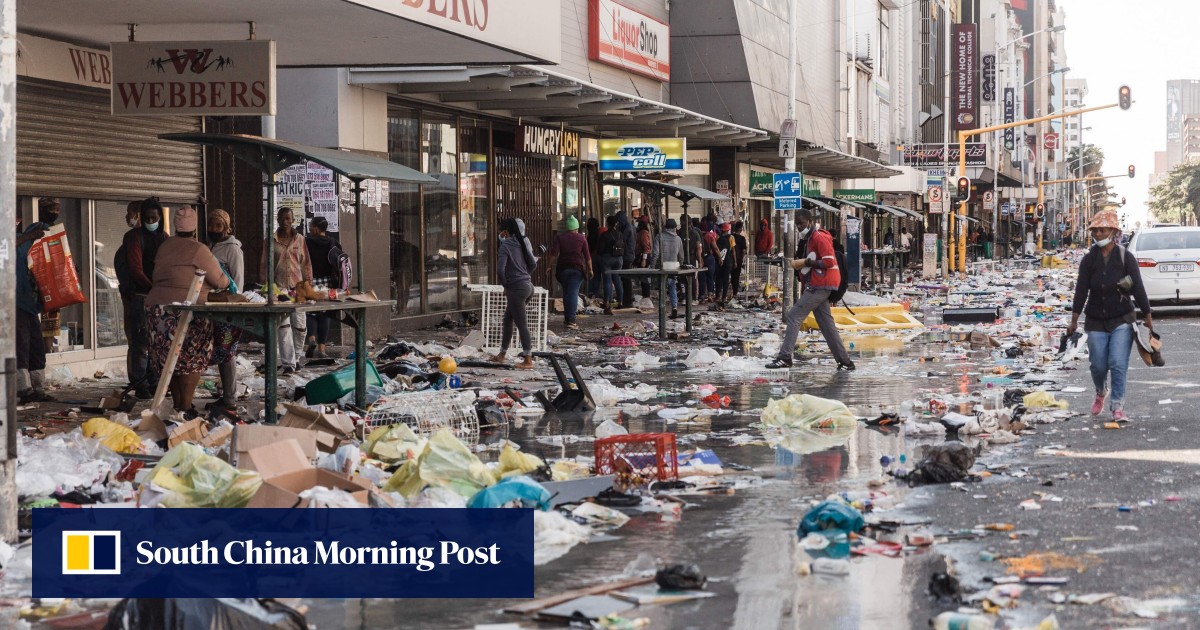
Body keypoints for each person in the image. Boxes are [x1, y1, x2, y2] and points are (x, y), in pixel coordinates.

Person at [1066, 209, 1152, 422]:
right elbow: (1081, 290)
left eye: (1102, 230)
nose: (1098, 235)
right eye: (1095, 231)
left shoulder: (1125, 257)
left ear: (1113, 232)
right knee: (1098, 365)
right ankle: (1100, 391)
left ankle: (1117, 407)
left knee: (1117, 363)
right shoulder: (1089, 260)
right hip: (1095, 320)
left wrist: (1148, 315)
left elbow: (1138, 288)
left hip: (1122, 318)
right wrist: (1074, 319)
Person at [146, 205, 230, 416]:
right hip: (187, 311)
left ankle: (178, 405)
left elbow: (156, 276)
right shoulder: (199, 249)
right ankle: (186, 405)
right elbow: (220, 280)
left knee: (169, 359)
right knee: (192, 357)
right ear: (195, 228)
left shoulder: (164, 247)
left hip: (157, 311)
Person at [768, 207, 855, 370]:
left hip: (821, 284)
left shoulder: (818, 237)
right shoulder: (809, 239)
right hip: (820, 284)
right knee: (826, 325)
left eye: (801, 224)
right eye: (797, 225)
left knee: (794, 315)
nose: (799, 227)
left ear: (810, 222)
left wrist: (809, 263)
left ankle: (785, 357)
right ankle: (845, 362)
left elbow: (829, 261)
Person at [118, 199, 168, 398]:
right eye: (147, 218)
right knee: (140, 341)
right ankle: (140, 383)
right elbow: (136, 269)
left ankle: (153, 381)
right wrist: (153, 286)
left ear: (160, 218)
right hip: (140, 295)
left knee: (155, 342)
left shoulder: (163, 237)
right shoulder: (134, 237)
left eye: (154, 218)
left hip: (157, 295)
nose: (150, 221)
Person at [15, 198, 61, 404]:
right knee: (22, 345)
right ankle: (23, 389)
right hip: (17, 300)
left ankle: (38, 387)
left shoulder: (40, 239)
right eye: (52, 209)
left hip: (31, 302)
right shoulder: (21, 239)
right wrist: (29, 236)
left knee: (36, 345)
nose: (55, 212)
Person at [260, 207, 312, 374]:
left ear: (293, 220)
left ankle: (296, 358)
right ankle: (288, 364)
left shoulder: (300, 240)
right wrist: (266, 288)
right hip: (279, 288)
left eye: (288, 218)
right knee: (283, 326)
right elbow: (264, 265)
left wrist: (308, 285)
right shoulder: (270, 241)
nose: (285, 222)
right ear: (277, 220)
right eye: (282, 219)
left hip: (298, 288)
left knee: (300, 326)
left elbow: (306, 264)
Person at [206, 209, 244, 418]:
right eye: (211, 225)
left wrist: (231, 302)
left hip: (227, 308)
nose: (213, 229)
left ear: (227, 227)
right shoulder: (210, 246)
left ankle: (230, 398)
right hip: (213, 306)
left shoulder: (233, 250)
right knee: (220, 352)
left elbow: (237, 281)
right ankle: (225, 394)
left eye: (218, 226)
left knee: (228, 351)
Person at [492, 218, 537, 369]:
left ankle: (528, 360)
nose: (499, 233)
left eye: (500, 230)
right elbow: (533, 263)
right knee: (508, 320)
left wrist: (506, 285)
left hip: (516, 289)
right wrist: (525, 276)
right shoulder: (523, 242)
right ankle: (502, 355)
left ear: (506, 232)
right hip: (528, 286)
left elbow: (500, 270)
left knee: (521, 324)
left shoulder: (506, 245)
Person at [548, 215, 592, 329]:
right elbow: (587, 257)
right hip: (577, 270)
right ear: (577, 227)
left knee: (567, 293)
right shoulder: (582, 238)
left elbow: (554, 253)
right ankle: (571, 320)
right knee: (572, 293)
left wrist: (548, 266)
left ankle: (567, 319)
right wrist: (591, 269)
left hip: (563, 270)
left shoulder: (560, 238)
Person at [304, 216, 339, 358]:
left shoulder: (306, 242)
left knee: (310, 313)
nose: (310, 228)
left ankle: (311, 339)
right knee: (325, 315)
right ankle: (322, 349)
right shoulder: (333, 243)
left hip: (311, 282)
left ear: (317, 228)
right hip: (328, 283)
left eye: (311, 226)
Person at [652, 218, 685, 319]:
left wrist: (652, 265)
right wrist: (681, 265)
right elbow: (681, 256)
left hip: (662, 267)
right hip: (674, 267)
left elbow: (656, 253)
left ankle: (662, 310)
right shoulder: (678, 239)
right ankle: (674, 307)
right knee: (672, 287)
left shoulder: (659, 237)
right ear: (675, 228)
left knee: (662, 288)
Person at [597, 215, 625, 314]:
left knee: (607, 280)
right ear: (616, 224)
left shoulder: (605, 235)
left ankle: (607, 302)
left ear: (607, 224)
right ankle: (620, 301)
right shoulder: (620, 234)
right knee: (617, 279)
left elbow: (600, 249)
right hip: (619, 259)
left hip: (607, 259)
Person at [616, 210, 637, 307]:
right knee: (626, 278)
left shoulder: (627, 228)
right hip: (630, 254)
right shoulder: (631, 227)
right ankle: (627, 299)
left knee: (626, 278)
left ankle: (628, 301)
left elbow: (621, 240)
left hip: (627, 256)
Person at [714, 223, 736, 310]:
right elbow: (733, 251)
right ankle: (724, 297)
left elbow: (715, 248)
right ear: (727, 230)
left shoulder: (717, 237)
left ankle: (718, 295)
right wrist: (735, 261)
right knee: (726, 279)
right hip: (727, 261)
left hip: (719, 261)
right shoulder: (731, 238)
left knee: (718, 278)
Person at [700, 222, 719, 302]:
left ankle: (702, 297)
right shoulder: (710, 236)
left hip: (701, 259)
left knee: (702, 279)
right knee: (710, 278)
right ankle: (710, 295)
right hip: (710, 258)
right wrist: (720, 258)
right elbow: (715, 248)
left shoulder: (698, 235)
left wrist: (700, 260)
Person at [585, 217, 603, 299]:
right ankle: (596, 293)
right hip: (599, 256)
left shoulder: (589, 236)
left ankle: (591, 292)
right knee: (597, 276)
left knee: (593, 275)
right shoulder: (599, 234)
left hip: (592, 257)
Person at [636, 217, 653, 299]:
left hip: (644, 257)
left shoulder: (643, 233)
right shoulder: (643, 233)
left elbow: (646, 247)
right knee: (643, 277)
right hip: (643, 256)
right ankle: (645, 295)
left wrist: (644, 259)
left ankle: (646, 296)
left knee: (644, 278)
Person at [731, 221, 748, 301]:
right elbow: (744, 251)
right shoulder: (742, 238)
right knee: (736, 277)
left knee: (730, 276)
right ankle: (735, 293)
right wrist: (742, 258)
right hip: (738, 259)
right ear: (741, 229)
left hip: (729, 260)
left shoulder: (730, 236)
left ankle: (725, 293)